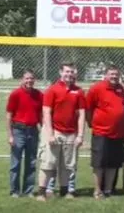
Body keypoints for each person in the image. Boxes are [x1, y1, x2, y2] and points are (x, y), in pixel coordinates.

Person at [37, 63, 85, 201]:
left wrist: (80, 135)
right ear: (60, 72)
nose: (69, 74)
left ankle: (65, 191)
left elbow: (81, 114)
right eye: (66, 71)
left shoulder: (79, 91)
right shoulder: (52, 90)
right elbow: (46, 112)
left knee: (67, 165)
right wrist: (50, 134)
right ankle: (41, 193)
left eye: (71, 72)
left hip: (70, 133)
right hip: (54, 131)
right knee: (48, 163)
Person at [86, 65, 124, 199]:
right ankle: (97, 190)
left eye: (116, 74)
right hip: (101, 132)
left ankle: (109, 189)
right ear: (106, 75)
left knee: (113, 163)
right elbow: (88, 108)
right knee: (99, 163)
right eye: (111, 74)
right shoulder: (97, 88)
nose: (114, 77)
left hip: (117, 133)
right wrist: (91, 124)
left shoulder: (121, 89)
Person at [6, 69, 43, 198]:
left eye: (31, 78)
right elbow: (9, 115)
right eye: (27, 78)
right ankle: (14, 191)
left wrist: (44, 130)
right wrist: (10, 135)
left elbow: (40, 115)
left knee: (31, 162)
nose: (29, 81)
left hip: (33, 131)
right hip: (18, 131)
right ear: (22, 79)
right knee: (15, 163)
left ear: (35, 80)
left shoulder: (39, 95)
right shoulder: (15, 94)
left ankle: (28, 190)